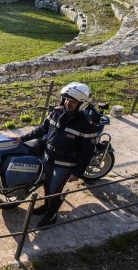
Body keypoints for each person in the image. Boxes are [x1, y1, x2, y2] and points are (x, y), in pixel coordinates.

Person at [9, 82, 99, 228]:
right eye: (66, 99)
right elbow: (42, 129)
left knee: (55, 190)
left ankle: (51, 216)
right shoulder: (57, 112)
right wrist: (22, 138)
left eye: (72, 101)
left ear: (82, 103)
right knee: (47, 184)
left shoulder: (87, 124)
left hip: (65, 163)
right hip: (48, 156)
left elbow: (87, 152)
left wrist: (77, 172)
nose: (67, 103)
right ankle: (46, 206)